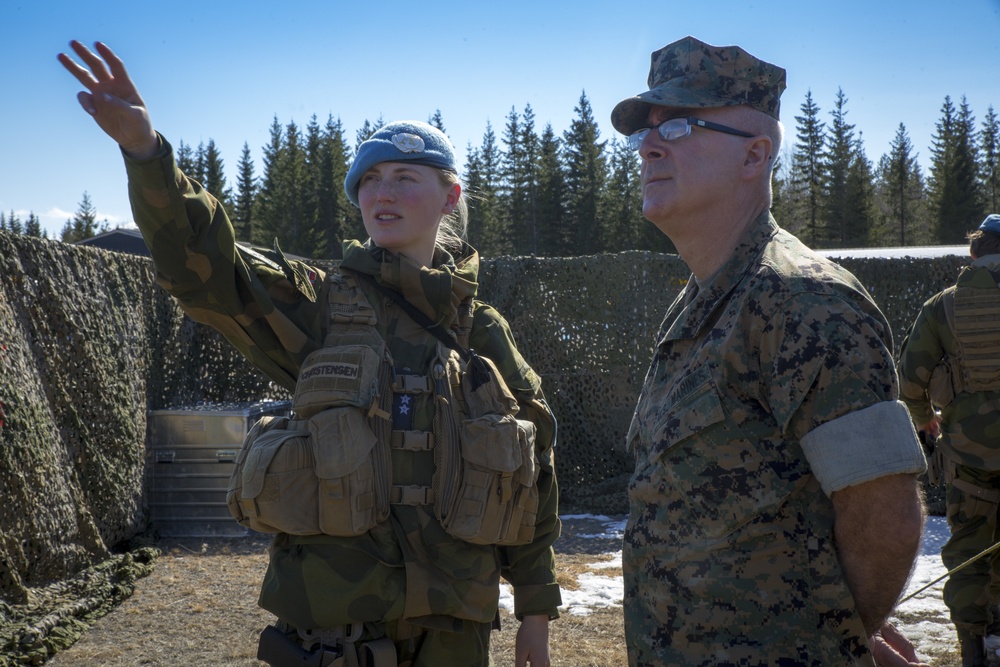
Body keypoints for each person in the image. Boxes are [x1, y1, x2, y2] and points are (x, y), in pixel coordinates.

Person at [59, 40, 560, 667]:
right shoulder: (319, 306)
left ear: (451, 196)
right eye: (370, 180)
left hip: (455, 643)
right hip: (337, 642)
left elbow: (534, 472)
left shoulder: (484, 333)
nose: (385, 191)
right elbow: (208, 271)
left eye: (406, 177)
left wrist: (534, 619)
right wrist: (146, 153)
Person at [610, 36, 929, 666]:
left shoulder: (803, 300)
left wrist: (834, 640)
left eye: (677, 125)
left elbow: (884, 514)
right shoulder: (705, 302)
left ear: (756, 154)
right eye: (644, 131)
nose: (648, 146)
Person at [898, 213, 1000, 667]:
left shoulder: (943, 306)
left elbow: (910, 379)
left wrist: (926, 421)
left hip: (970, 456)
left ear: (975, 251)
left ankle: (974, 650)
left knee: (969, 548)